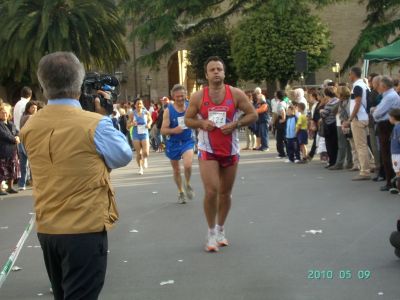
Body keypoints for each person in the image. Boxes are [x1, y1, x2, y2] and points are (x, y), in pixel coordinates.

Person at [19, 52, 132, 300]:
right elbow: (122, 155)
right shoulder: (95, 124)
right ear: (80, 84)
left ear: (43, 86)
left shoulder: (29, 127)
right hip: (84, 226)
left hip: (48, 227)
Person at [185, 56, 257, 252]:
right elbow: (188, 119)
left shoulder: (236, 94)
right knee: (211, 191)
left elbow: (253, 114)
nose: (216, 72)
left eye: (219, 69)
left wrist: (235, 124)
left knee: (225, 193)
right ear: (206, 75)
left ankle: (221, 228)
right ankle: (210, 232)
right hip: (208, 149)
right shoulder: (199, 97)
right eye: (212, 70)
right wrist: (202, 123)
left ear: (224, 73)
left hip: (230, 149)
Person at [161, 84, 195, 204]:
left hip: (187, 141)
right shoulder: (168, 111)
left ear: (186, 95)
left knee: (187, 165)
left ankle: (187, 183)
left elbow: (197, 120)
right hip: (173, 143)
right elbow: (163, 130)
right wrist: (173, 130)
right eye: (177, 96)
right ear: (173, 97)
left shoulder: (190, 107)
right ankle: (180, 192)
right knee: (176, 170)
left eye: (182, 96)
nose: (180, 98)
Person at [343, 67, 373, 180]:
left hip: (358, 118)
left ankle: (365, 171)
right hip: (363, 117)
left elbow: (357, 103)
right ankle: (370, 165)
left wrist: (350, 119)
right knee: (364, 145)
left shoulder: (357, 86)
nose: (349, 76)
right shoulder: (364, 85)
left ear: (353, 74)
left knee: (360, 146)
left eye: (349, 74)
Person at [372, 76, 400, 191]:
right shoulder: (389, 95)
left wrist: (374, 111)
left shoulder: (389, 97)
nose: (378, 87)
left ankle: (391, 182)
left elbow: (377, 113)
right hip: (386, 125)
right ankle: (391, 180)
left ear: (383, 86)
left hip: (386, 126)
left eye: (379, 85)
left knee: (387, 154)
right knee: (387, 153)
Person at [330, 86, 353, 170]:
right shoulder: (342, 101)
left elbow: (346, 112)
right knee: (347, 144)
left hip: (343, 124)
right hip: (341, 124)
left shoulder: (346, 102)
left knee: (343, 145)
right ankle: (349, 162)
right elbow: (333, 110)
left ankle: (340, 163)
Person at [127, 99, 152, 175]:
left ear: (142, 104)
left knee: (146, 153)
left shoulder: (146, 112)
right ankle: (140, 168)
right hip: (136, 134)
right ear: (135, 105)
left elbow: (150, 120)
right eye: (137, 104)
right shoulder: (132, 114)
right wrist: (132, 124)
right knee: (139, 153)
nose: (139, 105)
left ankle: (145, 159)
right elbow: (127, 126)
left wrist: (149, 124)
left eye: (140, 103)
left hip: (144, 133)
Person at [0, 103, 20, 195]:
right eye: (2, 112)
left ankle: (10, 187)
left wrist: (17, 137)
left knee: (12, 169)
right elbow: (4, 135)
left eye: (6, 112)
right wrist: (14, 139)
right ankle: (0, 189)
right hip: (3, 151)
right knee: (2, 171)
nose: (4, 114)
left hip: (12, 151)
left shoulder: (11, 124)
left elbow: (17, 132)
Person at [18, 101, 38, 190]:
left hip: (21, 142)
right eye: (33, 107)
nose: (35, 109)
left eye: (36, 108)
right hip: (29, 142)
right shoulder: (31, 117)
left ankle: (22, 184)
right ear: (28, 108)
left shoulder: (23, 116)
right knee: (33, 163)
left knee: (23, 164)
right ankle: (34, 183)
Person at [320, 87, 339, 168]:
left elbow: (324, 114)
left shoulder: (330, 103)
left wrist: (321, 111)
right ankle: (334, 161)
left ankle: (332, 162)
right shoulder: (337, 100)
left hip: (329, 124)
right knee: (335, 144)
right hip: (335, 123)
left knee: (330, 145)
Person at [389, 109, 400, 193]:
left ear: (393, 118)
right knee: (397, 170)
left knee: (398, 171)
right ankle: (397, 186)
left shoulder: (398, 127)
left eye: (389, 117)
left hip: (397, 153)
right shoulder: (396, 127)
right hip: (395, 152)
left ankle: (398, 187)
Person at [275, 90, 287, 159]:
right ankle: (285, 152)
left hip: (281, 122)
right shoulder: (285, 101)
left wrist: (283, 119)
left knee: (279, 138)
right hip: (283, 122)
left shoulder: (281, 104)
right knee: (284, 137)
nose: (275, 96)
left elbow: (282, 111)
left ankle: (281, 153)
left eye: (276, 95)